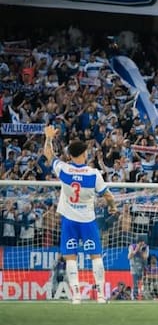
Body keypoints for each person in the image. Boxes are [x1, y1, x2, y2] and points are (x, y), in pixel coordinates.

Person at [42, 125, 117, 304]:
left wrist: (48, 138)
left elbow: (48, 155)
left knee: (70, 257)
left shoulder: (64, 169)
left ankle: (75, 295)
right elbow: (107, 195)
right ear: (84, 154)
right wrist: (112, 206)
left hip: (69, 221)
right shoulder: (93, 174)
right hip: (88, 221)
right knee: (96, 256)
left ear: (70, 155)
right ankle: (100, 295)